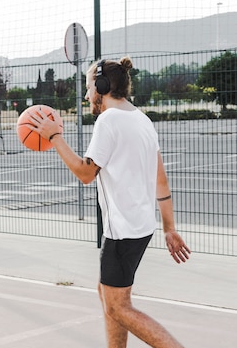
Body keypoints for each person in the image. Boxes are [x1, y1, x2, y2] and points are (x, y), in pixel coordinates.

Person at [28, 56, 191, 348]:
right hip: (141, 227)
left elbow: (86, 173)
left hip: (123, 231)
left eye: (89, 87)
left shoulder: (109, 120)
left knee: (118, 306)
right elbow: (161, 180)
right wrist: (169, 227)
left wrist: (54, 138)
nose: (87, 95)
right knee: (107, 294)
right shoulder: (141, 119)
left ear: (102, 86)